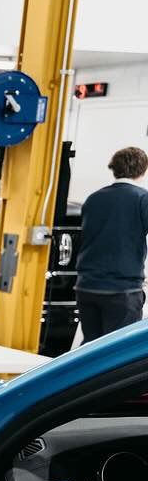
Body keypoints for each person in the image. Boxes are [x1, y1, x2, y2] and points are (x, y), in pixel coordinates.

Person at [76, 146, 148, 342]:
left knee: (89, 349)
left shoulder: (93, 198)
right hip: (121, 291)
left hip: (86, 288)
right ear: (143, 170)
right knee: (117, 354)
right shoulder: (142, 198)